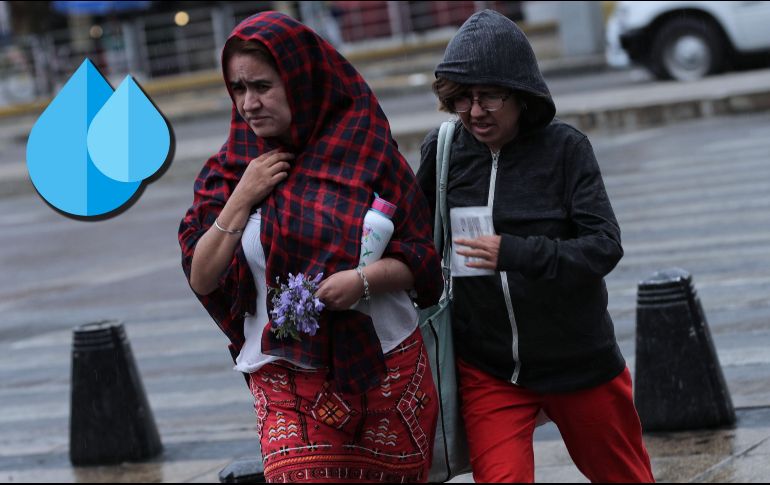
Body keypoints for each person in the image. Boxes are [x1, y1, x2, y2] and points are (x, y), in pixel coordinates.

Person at [179, 11, 442, 483]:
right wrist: (243, 195)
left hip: (387, 373)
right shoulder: (231, 169)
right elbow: (202, 276)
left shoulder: (367, 150)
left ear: (300, 81)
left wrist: (363, 281)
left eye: (262, 86)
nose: (249, 103)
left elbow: (422, 259)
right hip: (284, 382)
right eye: (237, 89)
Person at [416, 9, 655, 483]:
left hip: (579, 361)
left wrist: (516, 254)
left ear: (521, 94)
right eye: (462, 98)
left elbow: (603, 246)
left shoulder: (565, 149)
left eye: (490, 96)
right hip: (490, 368)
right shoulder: (444, 150)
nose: (475, 111)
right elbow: (413, 238)